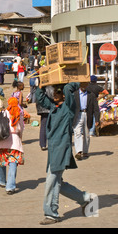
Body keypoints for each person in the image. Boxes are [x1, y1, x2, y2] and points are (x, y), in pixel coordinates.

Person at [36, 83, 95, 225]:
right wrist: (42, 85)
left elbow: (69, 89)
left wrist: (69, 81)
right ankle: (86, 199)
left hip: (61, 150)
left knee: (51, 182)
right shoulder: (53, 108)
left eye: (58, 93)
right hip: (53, 151)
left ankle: (51, 214)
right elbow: (40, 98)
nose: (54, 95)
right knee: (58, 184)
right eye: (54, 93)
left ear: (63, 94)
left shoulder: (68, 108)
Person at [0, 97, 24, 195]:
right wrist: (20, 137)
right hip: (14, 141)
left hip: (2, 140)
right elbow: (21, 127)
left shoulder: (3, 112)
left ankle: (2, 181)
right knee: (13, 163)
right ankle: (10, 187)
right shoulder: (19, 113)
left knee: (2, 161)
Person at [73, 82, 100, 160]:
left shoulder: (91, 95)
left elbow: (96, 108)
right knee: (77, 132)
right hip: (78, 115)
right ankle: (78, 151)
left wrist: (97, 119)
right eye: (82, 85)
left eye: (85, 85)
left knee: (86, 134)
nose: (84, 86)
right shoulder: (75, 94)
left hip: (87, 115)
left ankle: (85, 151)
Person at [36, 85, 53, 151]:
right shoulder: (50, 87)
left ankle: (43, 144)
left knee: (44, 126)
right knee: (49, 126)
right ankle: (48, 143)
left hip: (42, 109)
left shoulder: (40, 87)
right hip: (48, 109)